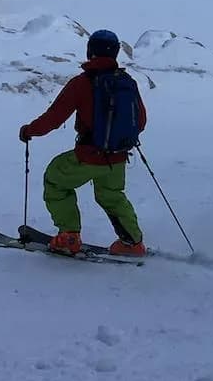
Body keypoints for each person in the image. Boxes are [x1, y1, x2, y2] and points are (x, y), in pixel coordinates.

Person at [18, 29, 148, 257]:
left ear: (90, 51)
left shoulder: (81, 83)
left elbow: (54, 118)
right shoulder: (127, 82)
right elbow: (142, 121)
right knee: (112, 195)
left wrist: (29, 131)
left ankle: (69, 237)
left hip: (89, 154)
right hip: (117, 156)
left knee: (55, 180)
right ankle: (133, 243)